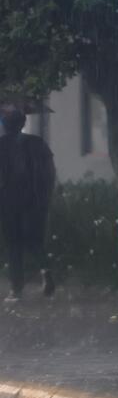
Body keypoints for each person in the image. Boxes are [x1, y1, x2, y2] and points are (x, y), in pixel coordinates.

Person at [0, 104, 57, 302]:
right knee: (34, 241)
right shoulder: (37, 143)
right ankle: (45, 270)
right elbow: (50, 172)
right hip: (35, 201)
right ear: (22, 123)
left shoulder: (2, 145)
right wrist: (44, 197)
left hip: (8, 202)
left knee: (14, 245)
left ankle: (16, 290)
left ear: (5, 125)